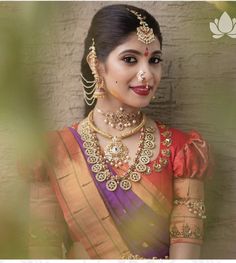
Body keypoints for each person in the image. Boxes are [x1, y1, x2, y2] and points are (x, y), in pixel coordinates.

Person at [25, 4, 211, 259]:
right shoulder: (54, 152)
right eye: (130, 59)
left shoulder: (183, 151)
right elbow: (42, 253)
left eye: (154, 59)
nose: (147, 74)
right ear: (96, 64)